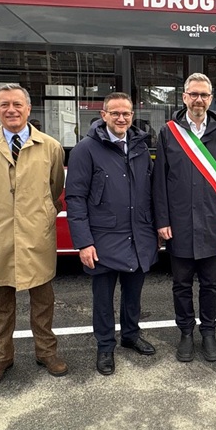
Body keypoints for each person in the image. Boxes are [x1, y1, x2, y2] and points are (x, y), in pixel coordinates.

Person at [0, 83, 68, 388]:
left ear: (28, 109)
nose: (11, 110)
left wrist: (37, 215)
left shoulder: (50, 147)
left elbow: (55, 188)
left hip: (37, 237)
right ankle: (1, 357)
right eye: (4, 105)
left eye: (17, 104)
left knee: (43, 301)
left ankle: (46, 352)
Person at [65, 93, 158, 375]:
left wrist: (156, 229)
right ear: (103, 115)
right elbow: (75, 199)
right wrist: (84, 242)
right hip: (102, 238)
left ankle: (130, 335)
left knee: (133, 294)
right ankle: (105, 346)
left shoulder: (140, 147)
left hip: (139, 235)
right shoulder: (85, 150)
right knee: (103, 300)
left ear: (132, 116)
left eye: (126, 113)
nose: (121, 118)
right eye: (115, 113)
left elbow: (151, 191)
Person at [153, 72, 216, 363]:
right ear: (184, 97)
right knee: (181, 284)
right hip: (179, 224)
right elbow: (160, 181)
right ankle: (186, 333)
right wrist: (162, 220)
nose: (198, 100)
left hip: (213, 224)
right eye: (193, 94)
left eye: (204, 95)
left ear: (211, 99)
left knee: (210, 284)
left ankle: (209, 332)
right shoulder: (168, 132)